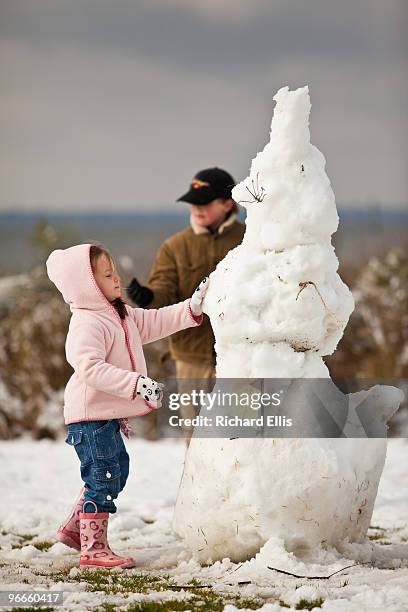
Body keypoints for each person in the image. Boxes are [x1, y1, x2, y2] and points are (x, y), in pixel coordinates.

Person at [46, 243, 208, 569]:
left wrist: (191, 309)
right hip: (88, 416)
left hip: (104, 415)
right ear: (87, 286)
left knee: (114, 473)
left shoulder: (120, 314)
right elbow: (89, 367)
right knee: (104, 477)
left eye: (115, 272)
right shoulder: (87, 323)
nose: (117, 279)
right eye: (107, 275)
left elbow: (155, 321)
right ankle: (93, 550)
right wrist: (135, 384)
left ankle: (76, 528)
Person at [127, 167, 245, 442]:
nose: (196, 209)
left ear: (227, 204)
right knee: (197, 439)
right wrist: (148, 297)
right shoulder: (175, 246)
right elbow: (163, 290)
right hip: (190, 360)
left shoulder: (252, 239)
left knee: (242, 438)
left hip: (241, 355)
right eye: (193, 202)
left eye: (204, 203)